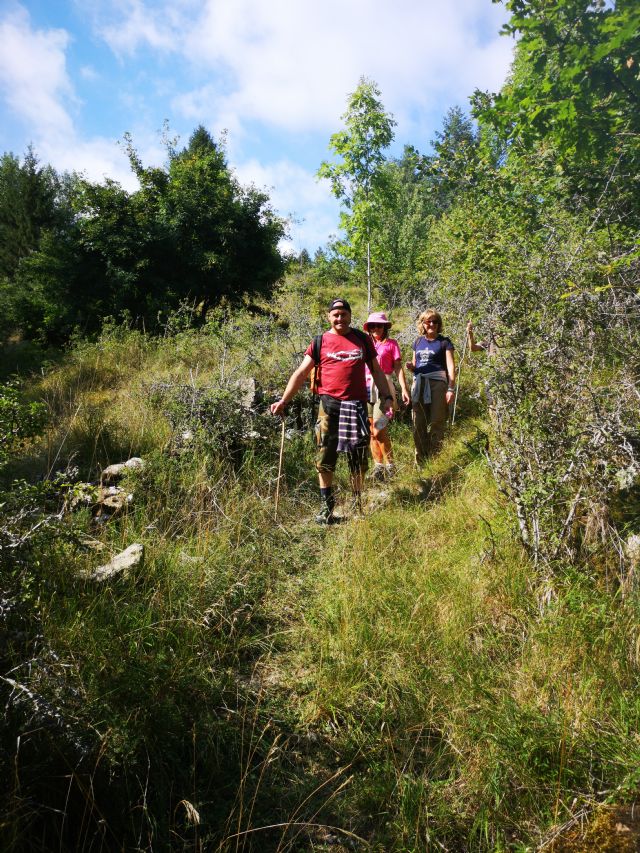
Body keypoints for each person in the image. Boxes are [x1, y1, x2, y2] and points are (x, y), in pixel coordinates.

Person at [271, 298, 393, 524]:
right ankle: (327, 509)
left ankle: (358, 505)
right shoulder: (319, 342)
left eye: (343, 314)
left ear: (349, 316)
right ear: (329, 317)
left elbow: (376, 370)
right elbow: (300, 372)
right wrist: (284, 400)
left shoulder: (362, 339)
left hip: (356, 405)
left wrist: (386, 397)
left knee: (358, 458)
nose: (340, 318)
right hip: (328, 406)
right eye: (335, 315)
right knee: (325, 456)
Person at [362, 311, 410, 481]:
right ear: (368, 328)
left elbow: (398, 368)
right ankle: (378, 466)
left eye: (379, 325)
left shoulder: (391, 344)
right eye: (372, 326)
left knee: (379, 427)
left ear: (384, 327)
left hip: (385, 388)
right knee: (371, 432)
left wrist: (404, 388)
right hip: (366, 388)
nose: (376, 328)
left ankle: (390, 465)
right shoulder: (366, 344)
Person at [406, 309, 456, 463]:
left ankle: (435, 459)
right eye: (428, 321)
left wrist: (451, 388)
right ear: (423, 323)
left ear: (439, 324)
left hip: (438, 384)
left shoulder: (444, 342)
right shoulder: (418, 342)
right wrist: (411, 367)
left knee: (437, 421)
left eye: (435, 321)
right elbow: (415, 364)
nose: (432, 324)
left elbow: (450, 367)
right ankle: (420, 458)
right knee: (418, 422)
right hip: (420, 383)